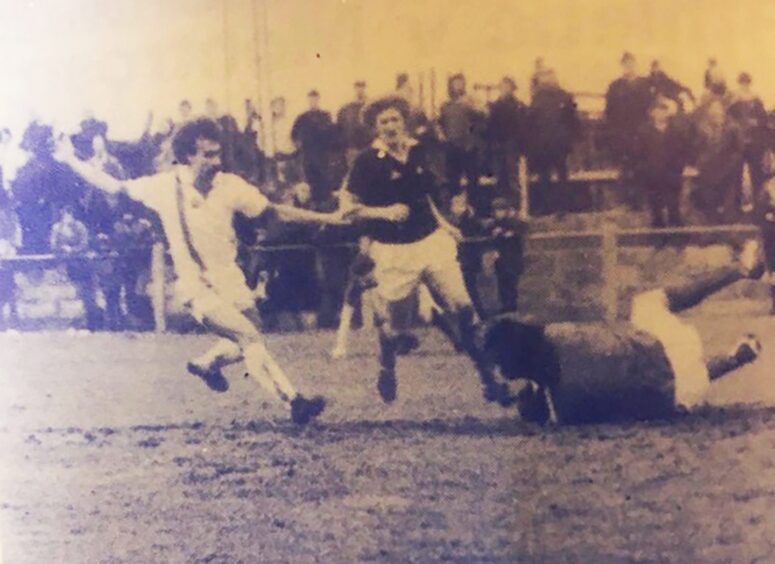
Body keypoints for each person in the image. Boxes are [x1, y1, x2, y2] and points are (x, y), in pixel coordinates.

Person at [54, 118, 345, 425]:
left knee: (249, 333)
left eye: (217, 154)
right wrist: (71, 159)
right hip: (195, 286)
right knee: (248, 336)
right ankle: (294, 401)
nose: (215, 162)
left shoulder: (230, 185)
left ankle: (207, 363)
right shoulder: (164, 186)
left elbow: (274, 212)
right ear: (187, 156)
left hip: (230, 279)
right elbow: (113, 185)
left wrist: (327, 218)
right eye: (207, 155)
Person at [340, 95, 513, 406]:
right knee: (398, 329)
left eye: (394, 119)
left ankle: (490, 379)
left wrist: (444, 224)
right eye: (383, 122)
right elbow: (347, 208)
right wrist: (383, 212)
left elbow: (426, 196)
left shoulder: (418, 151)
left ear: (404, 121)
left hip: (431, 242)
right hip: (394, 251)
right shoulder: (367, 161)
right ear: (375, 128)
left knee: (463, 309)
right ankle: (386, 365)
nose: (390, 126)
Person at [483, 240, 765, 425]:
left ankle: (736, 358)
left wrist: (529, 399)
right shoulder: (559, 334)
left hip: (681, 394)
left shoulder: (565, 408)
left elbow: (550, 401)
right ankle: (738, 270)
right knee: (646, 304)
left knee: (652, 384)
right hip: (669, 348)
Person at [633, 97, 693, 227]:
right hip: (652, 176)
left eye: (664, 110)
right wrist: (645, 169)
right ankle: (658, 240)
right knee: (656, 210)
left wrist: (678, 168)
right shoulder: (644, 132)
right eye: (658, 110)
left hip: (672, 175)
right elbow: (638, 154)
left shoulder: (676, 131)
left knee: (673, 208)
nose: (661, 113)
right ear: (652, 113)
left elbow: (683, 151)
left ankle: (677, 240)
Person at [527, 69, 580, 214]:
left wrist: (571, 142)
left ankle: (563, 207)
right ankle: (546, 207)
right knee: (544, 177)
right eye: (546, 78)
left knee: (562, 175)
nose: (549, 80)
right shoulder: (537, 98)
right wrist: (533, 145)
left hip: (560, 144)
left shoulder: (565, 97)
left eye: (551, 77)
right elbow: (531, 122)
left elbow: (573, 121)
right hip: (543, 145)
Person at [604, 52, 654, 206]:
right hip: (623, 134)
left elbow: (651, 108)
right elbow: (609, 111)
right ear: (622, 66)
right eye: (626, 64)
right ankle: (626, 200)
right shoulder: (615, 86)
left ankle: (642, 200)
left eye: (631, 63)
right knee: (625, 168)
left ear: (635, 65)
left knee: (642, 166)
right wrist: (614, 133)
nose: (629, 67)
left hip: (641, 133)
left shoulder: (645, 84)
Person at [50, 206, 102, 331]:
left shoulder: (80, 227)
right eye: (65, 215)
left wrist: (73, 250)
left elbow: (84, 243)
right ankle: (72, 323)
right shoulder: (57, 228)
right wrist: (63, 248)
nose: (67, 218)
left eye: (69, 215)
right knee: (72, 293)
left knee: (87, 293)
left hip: (83, 264)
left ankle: (92, 322)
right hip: (66, 264)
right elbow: (53, 244)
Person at [439, 74, 486, 209]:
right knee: (453, 179)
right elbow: (438, 123)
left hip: (469, 147)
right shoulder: (445, 106)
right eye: (455, 83)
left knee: (473, 179)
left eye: (460, 83)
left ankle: (474, 208)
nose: (458, 86)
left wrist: (474, 106)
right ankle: (456, 209)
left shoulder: (470, 102)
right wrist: (441, 135)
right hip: (452, 147)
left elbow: (483, 117)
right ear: (451, 86)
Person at [727, 73, 769, 210]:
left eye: (746, 82)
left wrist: (755, 122)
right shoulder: (734, 101)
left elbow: (764, 120)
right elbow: (728, 118)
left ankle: (758, 206)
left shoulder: (756, 100)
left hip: (754, 144)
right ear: (739, 83)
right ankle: (736, 206)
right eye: (742, 82)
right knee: (736, 175)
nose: (744, 85)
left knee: (757, 174)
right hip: (738, 144)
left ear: (749, 83)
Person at [487, 76, 527, 200]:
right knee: (499, 175)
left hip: (512, 144)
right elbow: (490, 126)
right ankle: (500, 206)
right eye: (503, 87)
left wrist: (520, 144)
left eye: (508, 87)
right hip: (497, 144)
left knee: (512, 175)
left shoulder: (518, 106)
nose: (505, 90)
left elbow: (522, 126)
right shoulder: (494, 106)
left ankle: (515, 204)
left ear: (513, 89)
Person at [291, 90, 335, 202]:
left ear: (318, 100)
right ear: (308, 100)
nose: (313, 102)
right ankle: (313, 202)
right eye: (311, 99)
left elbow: (331, 133)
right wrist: (298, 146)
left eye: (315, 99)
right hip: (308, 154)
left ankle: (324, 202)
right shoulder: (302, 117)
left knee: (324, 178)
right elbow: (294, 134)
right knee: (310, 178)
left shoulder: (325, 116)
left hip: (322, 154)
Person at [337, 81, 370, 169]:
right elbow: (340, 128)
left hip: (368, 146)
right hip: (352, 148)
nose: (360, 90)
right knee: (354, 172)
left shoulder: (370, 107)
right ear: (355, 89)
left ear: (365, 88)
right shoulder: (347, 109)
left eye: (362, 87)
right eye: (358, 87)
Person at [0, 189, 21, 328]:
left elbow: (16, 233)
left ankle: (14, 316)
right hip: (2, 248)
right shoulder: (3, 216)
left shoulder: (12, 216)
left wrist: (13, 246)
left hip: (9, 250)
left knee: (10, 284)